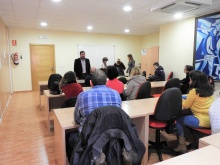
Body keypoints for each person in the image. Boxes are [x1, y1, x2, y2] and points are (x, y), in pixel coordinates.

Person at [66, 69, 122, 161]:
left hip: (89, 140)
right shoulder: (116, 94)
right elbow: (119, 116)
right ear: (106, 82)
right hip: (111, 139)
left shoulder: (82, 96)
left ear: (91, 83)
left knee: (69, 137)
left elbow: (76, 119)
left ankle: (78, 161)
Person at [174, 70, 214, 153]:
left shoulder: (194, 91)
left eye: (190, 79)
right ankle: (195, 140)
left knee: (178, 120)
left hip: (201, 120)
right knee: (188, 115)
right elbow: (195, 99)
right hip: (211, 120)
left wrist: (180, 99)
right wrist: (186, 98)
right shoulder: (209, 90)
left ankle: (182, 146)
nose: (189, 81)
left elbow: (185, 106)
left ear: (194, 80)